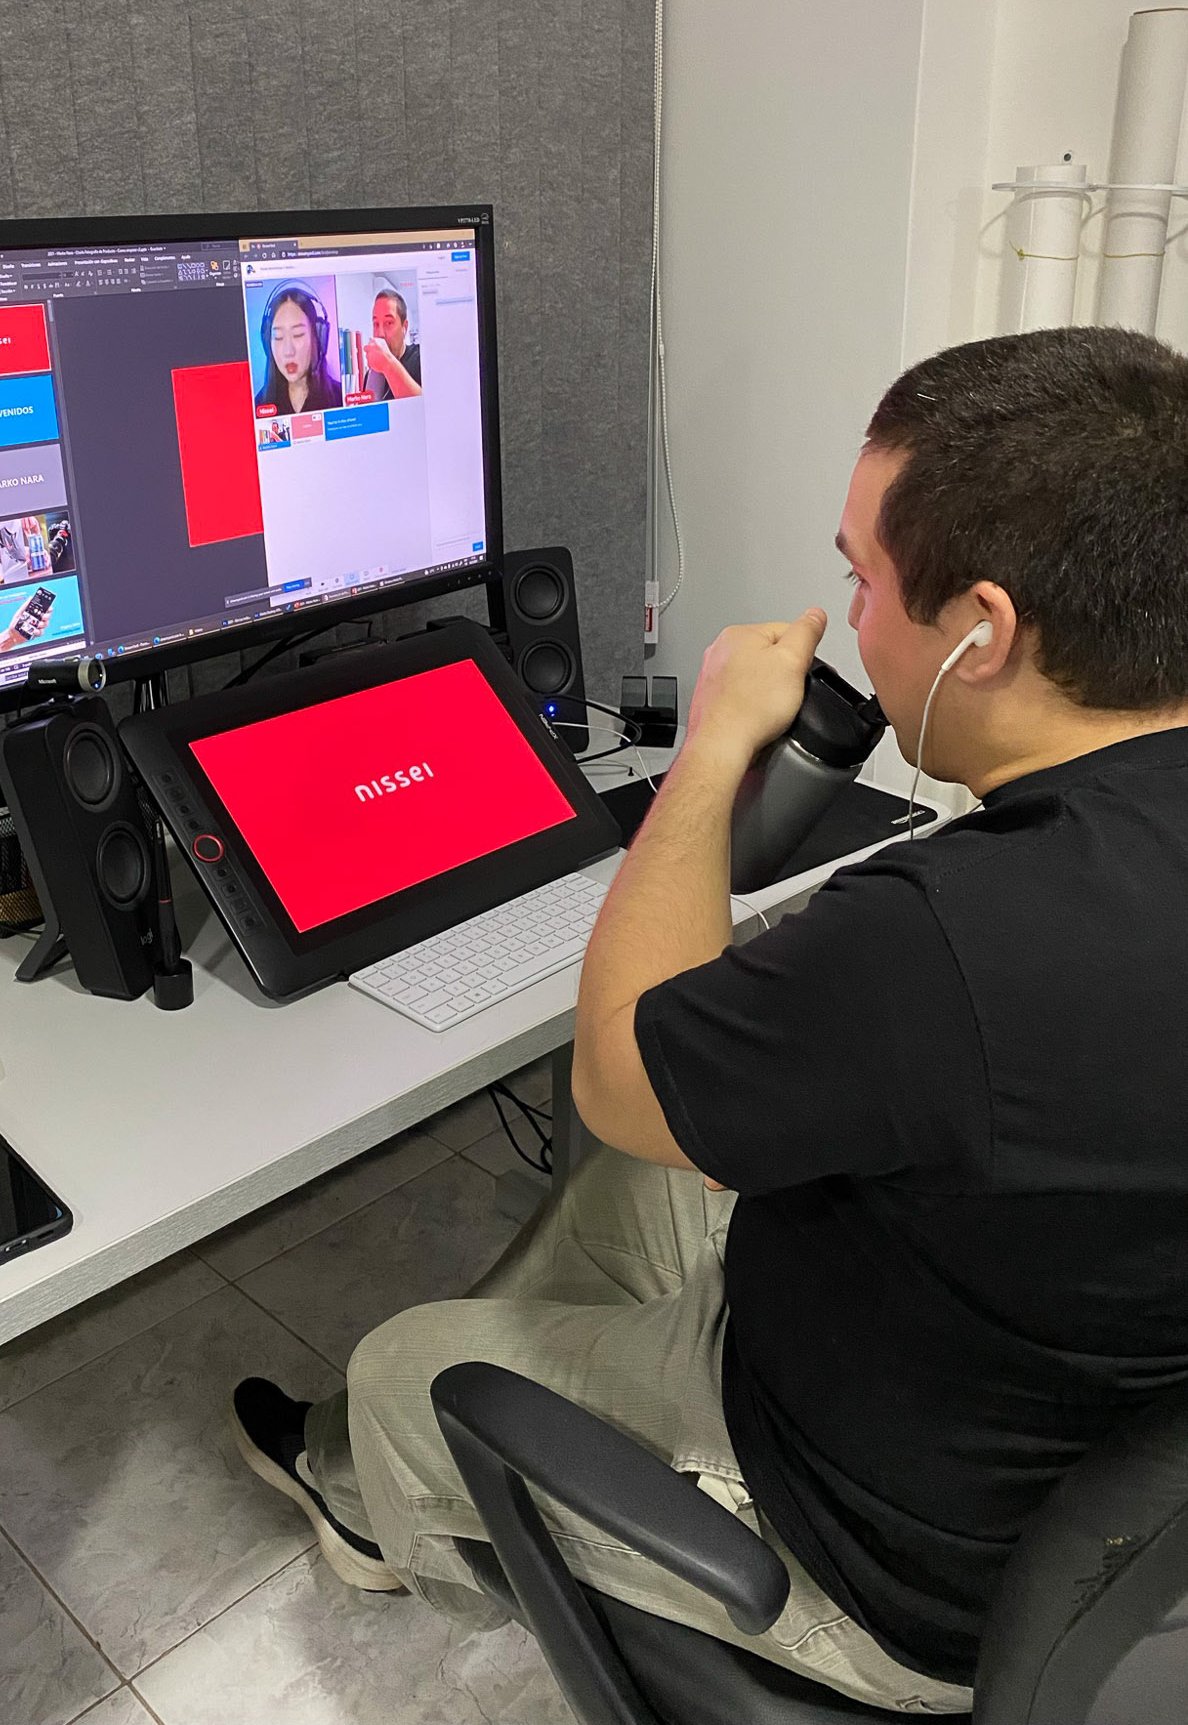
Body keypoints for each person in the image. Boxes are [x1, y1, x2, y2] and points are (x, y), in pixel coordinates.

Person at [230, 327, 1188, 1711]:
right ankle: (553, 1374)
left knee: (400, 1364)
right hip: (1053, 1437)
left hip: (885, 1571)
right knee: (638, 1179)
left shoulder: (947, 937)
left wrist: (715, 746)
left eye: (862, 581)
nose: (848, 618)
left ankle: (369, 1498)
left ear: (982, 632)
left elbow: (619, 1071)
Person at [257, 286, 344, 415]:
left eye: (298, 334)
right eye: (278, 337)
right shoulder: (258, 406)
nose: (288, 351)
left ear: (317, 337)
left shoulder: (341, 399)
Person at [362, 287, 422, 400]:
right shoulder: (370, 376)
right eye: (376, 324)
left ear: (404, 327)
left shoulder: (421, 358)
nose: (380, 334)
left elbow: (428, 406)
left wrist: (387, 363)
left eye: (389, 323)